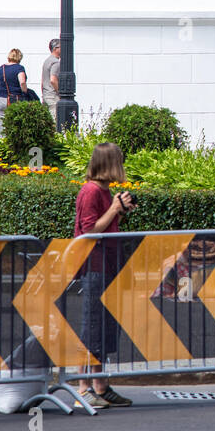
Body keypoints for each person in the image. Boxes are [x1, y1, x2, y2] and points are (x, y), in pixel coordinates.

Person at [73, 142, 136, 409]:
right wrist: (113, 209)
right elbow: (89, 231)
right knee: (92, 327)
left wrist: (118, 210)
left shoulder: (104, 191)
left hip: (108, 263)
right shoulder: (90, 192)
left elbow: (108, 226)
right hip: (93, 265)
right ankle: (83, 388)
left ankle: (100, 385)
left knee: (105, 326)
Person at [0, 48, 29, 114]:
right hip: (14, 99)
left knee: (3, 121)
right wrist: (25, 92)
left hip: (0, 99)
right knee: (14, 121)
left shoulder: (1, 67)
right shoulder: (19, 68)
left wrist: (1, 82)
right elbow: (22, 82)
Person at [41, 39, 61, 120]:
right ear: (55, 48)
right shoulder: (55, 62)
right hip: (53, 97)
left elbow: (43, 81)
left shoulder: (47, 61)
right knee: (55, 122)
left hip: (46, 95)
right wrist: (60, 93)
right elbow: (53, 80)